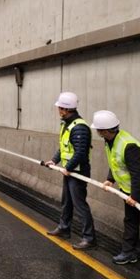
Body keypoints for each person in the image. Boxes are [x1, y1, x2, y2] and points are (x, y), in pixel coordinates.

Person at [91, 110, 140, 273]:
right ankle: (129, 252)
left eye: (98, 130)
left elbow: (137, 173)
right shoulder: (110, 141)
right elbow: (115, 163)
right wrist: (110, 179)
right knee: (130, 222)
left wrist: (135, 196)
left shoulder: (128, 145)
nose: (97, 132)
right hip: (128, 191)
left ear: (105, 130)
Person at [43, 92, 96, 250]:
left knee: (80, 205)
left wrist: (68, 168)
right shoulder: (66, 124)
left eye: (59, 107)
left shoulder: (79, 127)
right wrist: (54, 160)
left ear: (65, 109)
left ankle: (89, 238)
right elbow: (63, 146)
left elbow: (80, 153)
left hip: (78, 172)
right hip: (70, 171)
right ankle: (64, 228)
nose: (58, 109)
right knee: (66, 202)